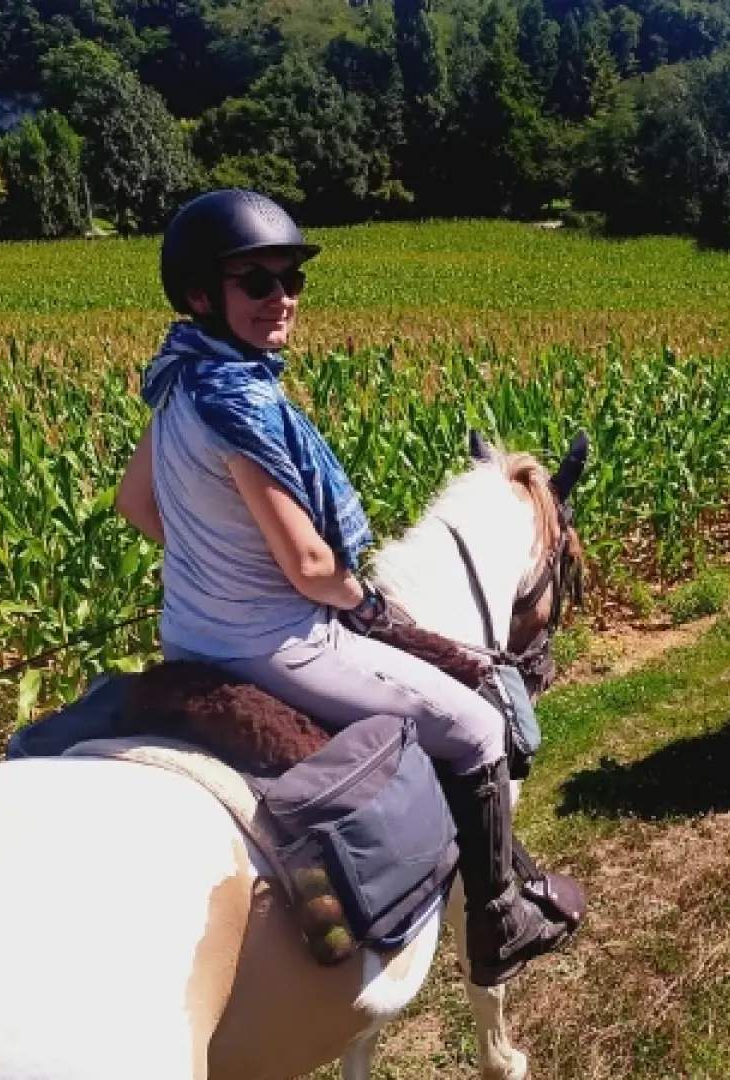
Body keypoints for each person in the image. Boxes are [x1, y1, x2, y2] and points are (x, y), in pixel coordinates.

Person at [112, 188, 578, 988]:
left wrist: (219, 565)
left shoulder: (181, 379)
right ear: (201, 295)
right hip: (279, 646)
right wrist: (361, 601)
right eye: (255, 281)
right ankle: (500, 919)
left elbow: (136, 505)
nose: (281, 297)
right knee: (475, 728)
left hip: (190, 638)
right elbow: (309, 565)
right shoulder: (239, 403)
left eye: (291, 279)